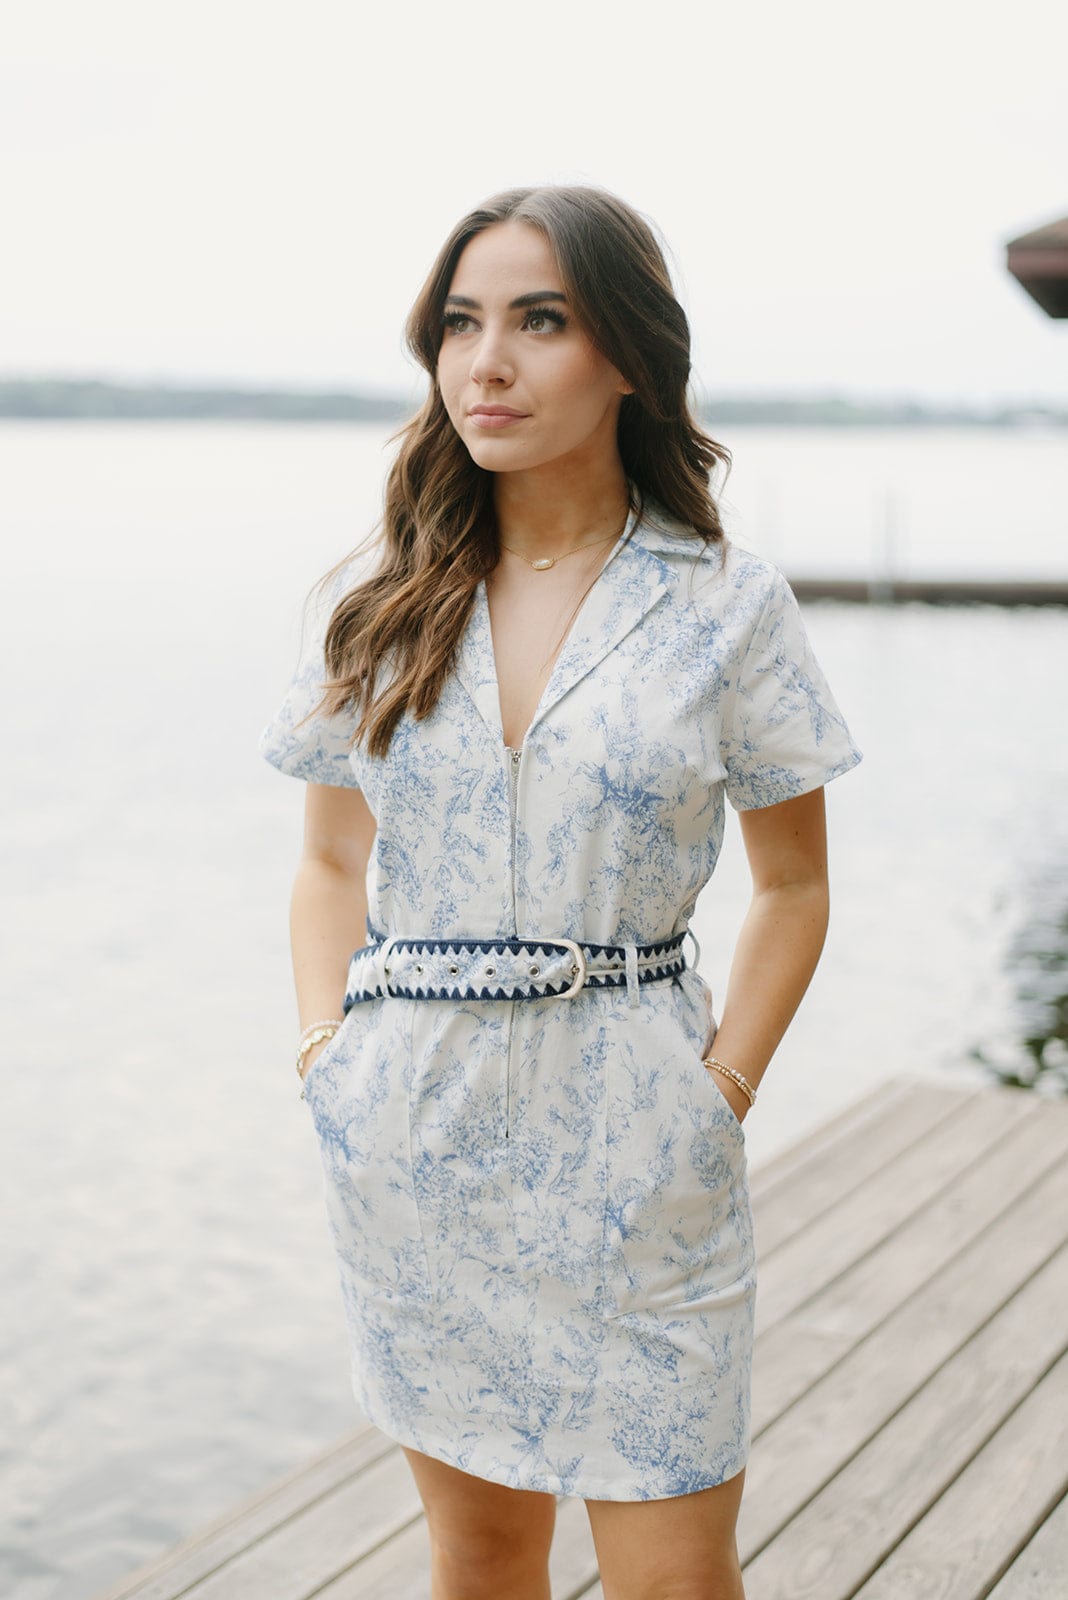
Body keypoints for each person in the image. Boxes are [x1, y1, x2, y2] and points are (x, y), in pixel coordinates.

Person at [259, 184, 862, 1600]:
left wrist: (719, 1093)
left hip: (645, 1152)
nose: (489, 362)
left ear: (630, 358)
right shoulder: (383, 601)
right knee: (481, 1564)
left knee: (674, 1578)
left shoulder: (727, 605)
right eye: (462, 324)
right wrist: (325, 1058)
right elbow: (327, 860)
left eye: (541, 321)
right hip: (418, 1145)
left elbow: (795, 886)